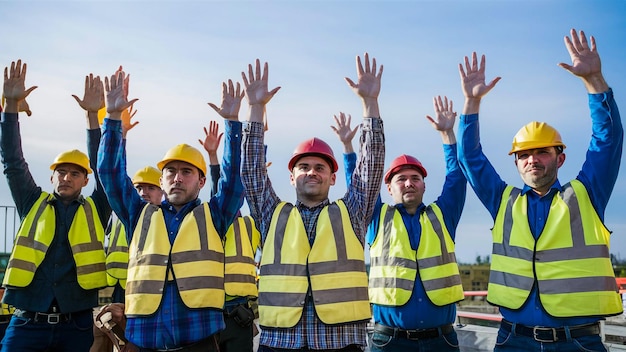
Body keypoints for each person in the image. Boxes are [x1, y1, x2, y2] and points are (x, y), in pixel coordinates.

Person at [457, 28, 623, 351]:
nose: (532, 160)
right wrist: (471, 102)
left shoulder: (588, 195)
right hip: (513, 339)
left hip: (578, 342)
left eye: (542, 152)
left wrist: (594, 81)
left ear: (560, 158)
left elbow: (608, 140)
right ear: (517, 163)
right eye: (524, 155)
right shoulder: (503, 201)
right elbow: (469, 157)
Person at [241, 53, 385, 351]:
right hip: (281, 341)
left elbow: (371, 167)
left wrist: (370, 104)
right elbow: (251, 171)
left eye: (320, 167)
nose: (311, 172)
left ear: (333, 178)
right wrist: (255, 110)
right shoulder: (271, 214)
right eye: (303, 167)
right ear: (291, 177)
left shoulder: (352, 214)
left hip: (340, 342)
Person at [97, 69, 245, 351]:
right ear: (161, 180)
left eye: (186, 172)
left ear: (202, 181)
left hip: (198, 341)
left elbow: (235, 182)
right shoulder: (139, 214)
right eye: (171, 172)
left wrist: (233, 124)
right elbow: (109, 173)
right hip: (144, 342)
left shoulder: (214, 216)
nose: (177, 177)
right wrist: (112, 119)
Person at [335, 96, 466, 351]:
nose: (408, 183)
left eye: (415, 178)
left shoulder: (444, 215)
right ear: (388, 188)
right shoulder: (376, 217)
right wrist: (348, 148)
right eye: (401, 179)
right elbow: (360, 184)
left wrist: (448, 135)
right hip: (389, 341)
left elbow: (456, 177)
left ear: (424, 185)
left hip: (441, 341)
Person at [0, 60, 111, 351]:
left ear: (85, 181)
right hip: (26, 322)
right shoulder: (31, 201)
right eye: (61, 172)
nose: (66, 177)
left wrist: (92, 117)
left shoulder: (96, 209)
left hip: (75, 324)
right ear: (51, 176)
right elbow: (13, 162)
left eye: (75, 173)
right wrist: (11, 108)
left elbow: (106, 171)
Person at [201, 80, 261, 352]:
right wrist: (213, 157)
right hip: (209, 311)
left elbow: (241, 181)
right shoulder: (210, 219)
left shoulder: (250, 226)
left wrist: (258, 120)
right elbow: (222, 184)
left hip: (240, 315)